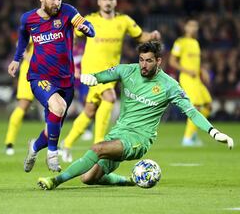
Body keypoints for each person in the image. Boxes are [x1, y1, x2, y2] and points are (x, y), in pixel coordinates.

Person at [37, 41, 234, 190]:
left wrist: (214, 132)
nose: (143, 65)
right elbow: (102, 75)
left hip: (139, 139)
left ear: (158, 61)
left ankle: (55, 181)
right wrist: (91, 78)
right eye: (141, 60)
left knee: (97, 148)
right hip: (118, 132)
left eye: (149, 61)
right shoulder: (128, 71)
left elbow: (191, 111)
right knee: (88, 179)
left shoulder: (169, 86)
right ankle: (128, 181)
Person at [61, 0, 160, 163]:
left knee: (90, 111)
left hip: (111, 73)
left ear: (116, 2)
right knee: (110, 98)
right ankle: (99, 144)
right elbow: (73, 37)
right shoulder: (89, 20)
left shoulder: (124, 21)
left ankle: (66, 144)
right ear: (99, 2)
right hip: (92, 71)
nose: (108, 2)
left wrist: (152, 35)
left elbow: (140, 36)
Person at [8, 0, 95, 172]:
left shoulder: (68, 12)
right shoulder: (28, 19)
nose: (57, 3)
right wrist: (16, 59)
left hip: (66, 80)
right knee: (58, 106)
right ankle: (53, 155)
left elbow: (90, 29)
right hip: (39, 77)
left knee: (52, 128)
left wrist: (86, 29)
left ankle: (34, 147)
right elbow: (23, 39)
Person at [169, 19, 212, 146]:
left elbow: (196, 63)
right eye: (191, 25)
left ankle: (193, 134)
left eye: (196, 26)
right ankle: (187, 138)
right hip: (187, 78)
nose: (194, 28)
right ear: (186, 27)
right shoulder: (180, 42)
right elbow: (172, 61)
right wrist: (187, 71)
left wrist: (202, 70)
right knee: (196, 106)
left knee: (208, 106)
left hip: (197, 79)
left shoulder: (195, 43)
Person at [4, 41, 35, 155]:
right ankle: (9, 142)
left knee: (53, 105)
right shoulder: (35, 23)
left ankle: (52, 144)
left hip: (48, 69)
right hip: (30, 69)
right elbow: (20, 42)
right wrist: (28, 57)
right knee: (23, 105)